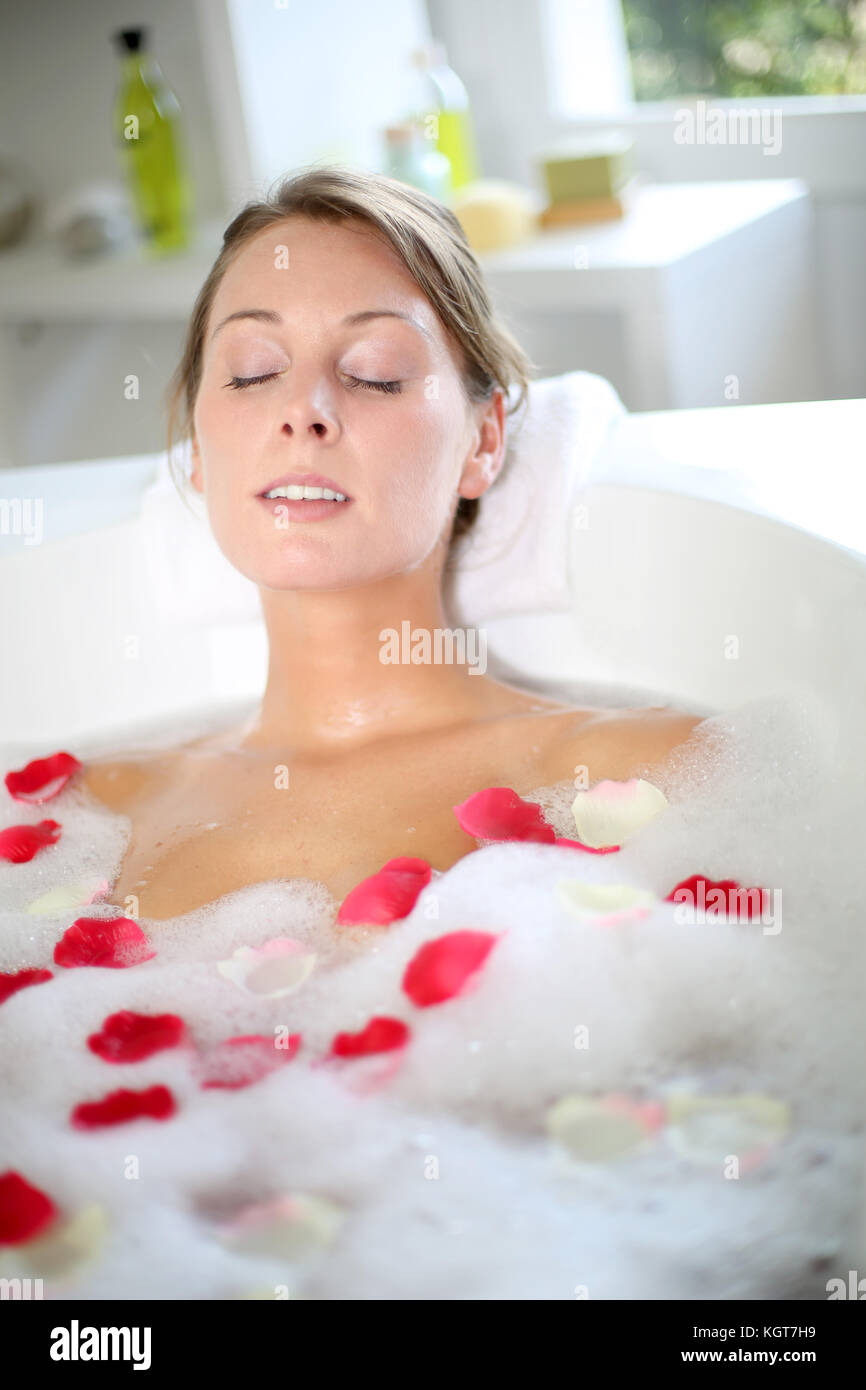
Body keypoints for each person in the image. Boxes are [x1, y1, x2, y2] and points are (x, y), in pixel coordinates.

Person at [84, 165, 706, 921]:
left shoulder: (654, 772)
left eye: (374, 374)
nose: (302, 411)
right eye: (252, 373)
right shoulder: (90, 811)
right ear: (198, 450)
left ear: (483, 442)